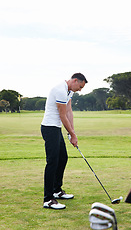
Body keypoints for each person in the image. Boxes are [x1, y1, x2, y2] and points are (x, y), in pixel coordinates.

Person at [41, 73, 88, 210]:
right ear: (74, 80)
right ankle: (48, 199)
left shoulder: (69, 91)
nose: (80, 90)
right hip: (49, 128)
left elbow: (68, 112)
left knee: (63, 158)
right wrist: (72, 135)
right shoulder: (60, 90)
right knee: (52, 162)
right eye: (80, 86)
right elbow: (62, 115)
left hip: (56, 128)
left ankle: (57, 190)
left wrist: (72, 132)